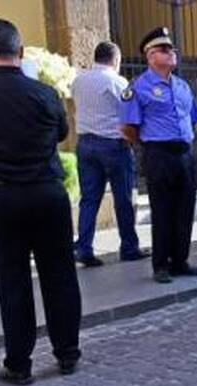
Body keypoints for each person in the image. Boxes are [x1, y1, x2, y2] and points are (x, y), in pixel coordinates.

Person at [0, 19, 82, 386]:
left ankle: (19, 363)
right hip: (47, 193)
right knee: (60, 275)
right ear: (21, 53)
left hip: (3, 195)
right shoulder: (45, 93)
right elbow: (61, 132)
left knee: (13, 280)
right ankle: (67, 352)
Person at [121, 27, 197, 284]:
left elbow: (195, 119)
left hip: (184, 153)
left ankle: (180, 260)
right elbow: (128, 127)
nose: (171, 53)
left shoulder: (182, 86)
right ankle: (161, 264)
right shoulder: (138, 87)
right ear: (150, 56)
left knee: (185, 208)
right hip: (158, 153)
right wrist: (150, 144)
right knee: (162, 210)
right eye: (164, 49)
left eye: (172, 49)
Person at [70, 41, 146, 267]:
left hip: (85, 143)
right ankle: (129, 247)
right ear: (116, 59)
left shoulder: (78, 80)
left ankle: (84, 246)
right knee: (123, 198)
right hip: (113, 145)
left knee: (89, 199)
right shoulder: (117, 81)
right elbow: (130, 111)